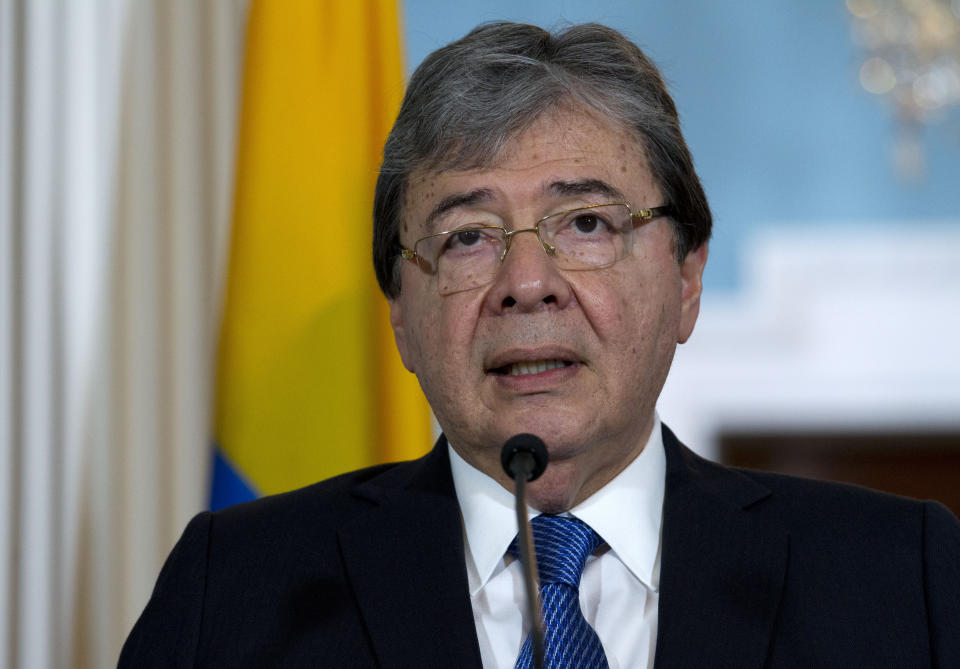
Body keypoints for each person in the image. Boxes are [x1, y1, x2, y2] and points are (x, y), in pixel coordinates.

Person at [119, 22, 960, 668]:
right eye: (467, 237)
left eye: (586, 222)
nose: (527, 280)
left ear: (687, 280)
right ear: (402, 317)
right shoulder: (237, 590)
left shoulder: (899, 581)